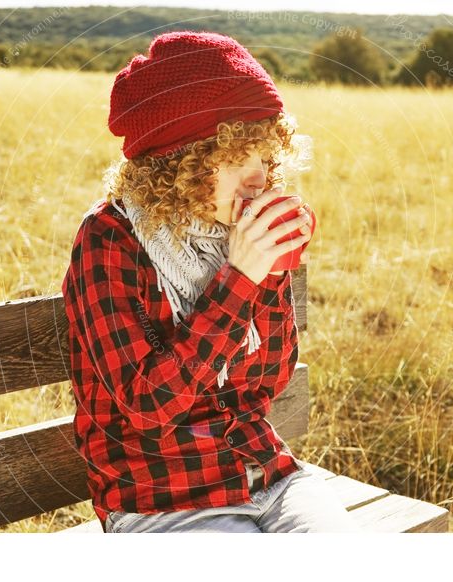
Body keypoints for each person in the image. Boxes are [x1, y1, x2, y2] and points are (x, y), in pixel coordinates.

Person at [61, 30, 360, 533]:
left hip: (267, 475)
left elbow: (266, 382)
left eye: (265, 157)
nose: (259, 179)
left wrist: (268, 273)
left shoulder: (233, 230)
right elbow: (148, 406)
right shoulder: (110, 239)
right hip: (162, 496)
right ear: (179, 163)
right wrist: (239, 280)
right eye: (234, 157)